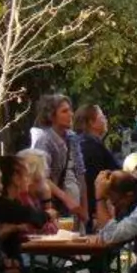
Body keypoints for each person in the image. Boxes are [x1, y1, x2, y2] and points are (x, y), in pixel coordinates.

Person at [32, 94, 87, 224]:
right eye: (64, 111)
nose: (71, 114)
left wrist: (84, 207)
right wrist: (66, 199)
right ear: (52, 116)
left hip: (74, 204)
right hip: (53, 204)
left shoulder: (72, 137)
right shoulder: (45, 141)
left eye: (70, 110)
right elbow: (42, 176)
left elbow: (80, 172)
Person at [76, 104, 120, 213]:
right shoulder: (92, 146)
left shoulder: (81, 142)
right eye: (102, 116)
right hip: (94, 209)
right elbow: (96, 180)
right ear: (91, 122)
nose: (105, 119)